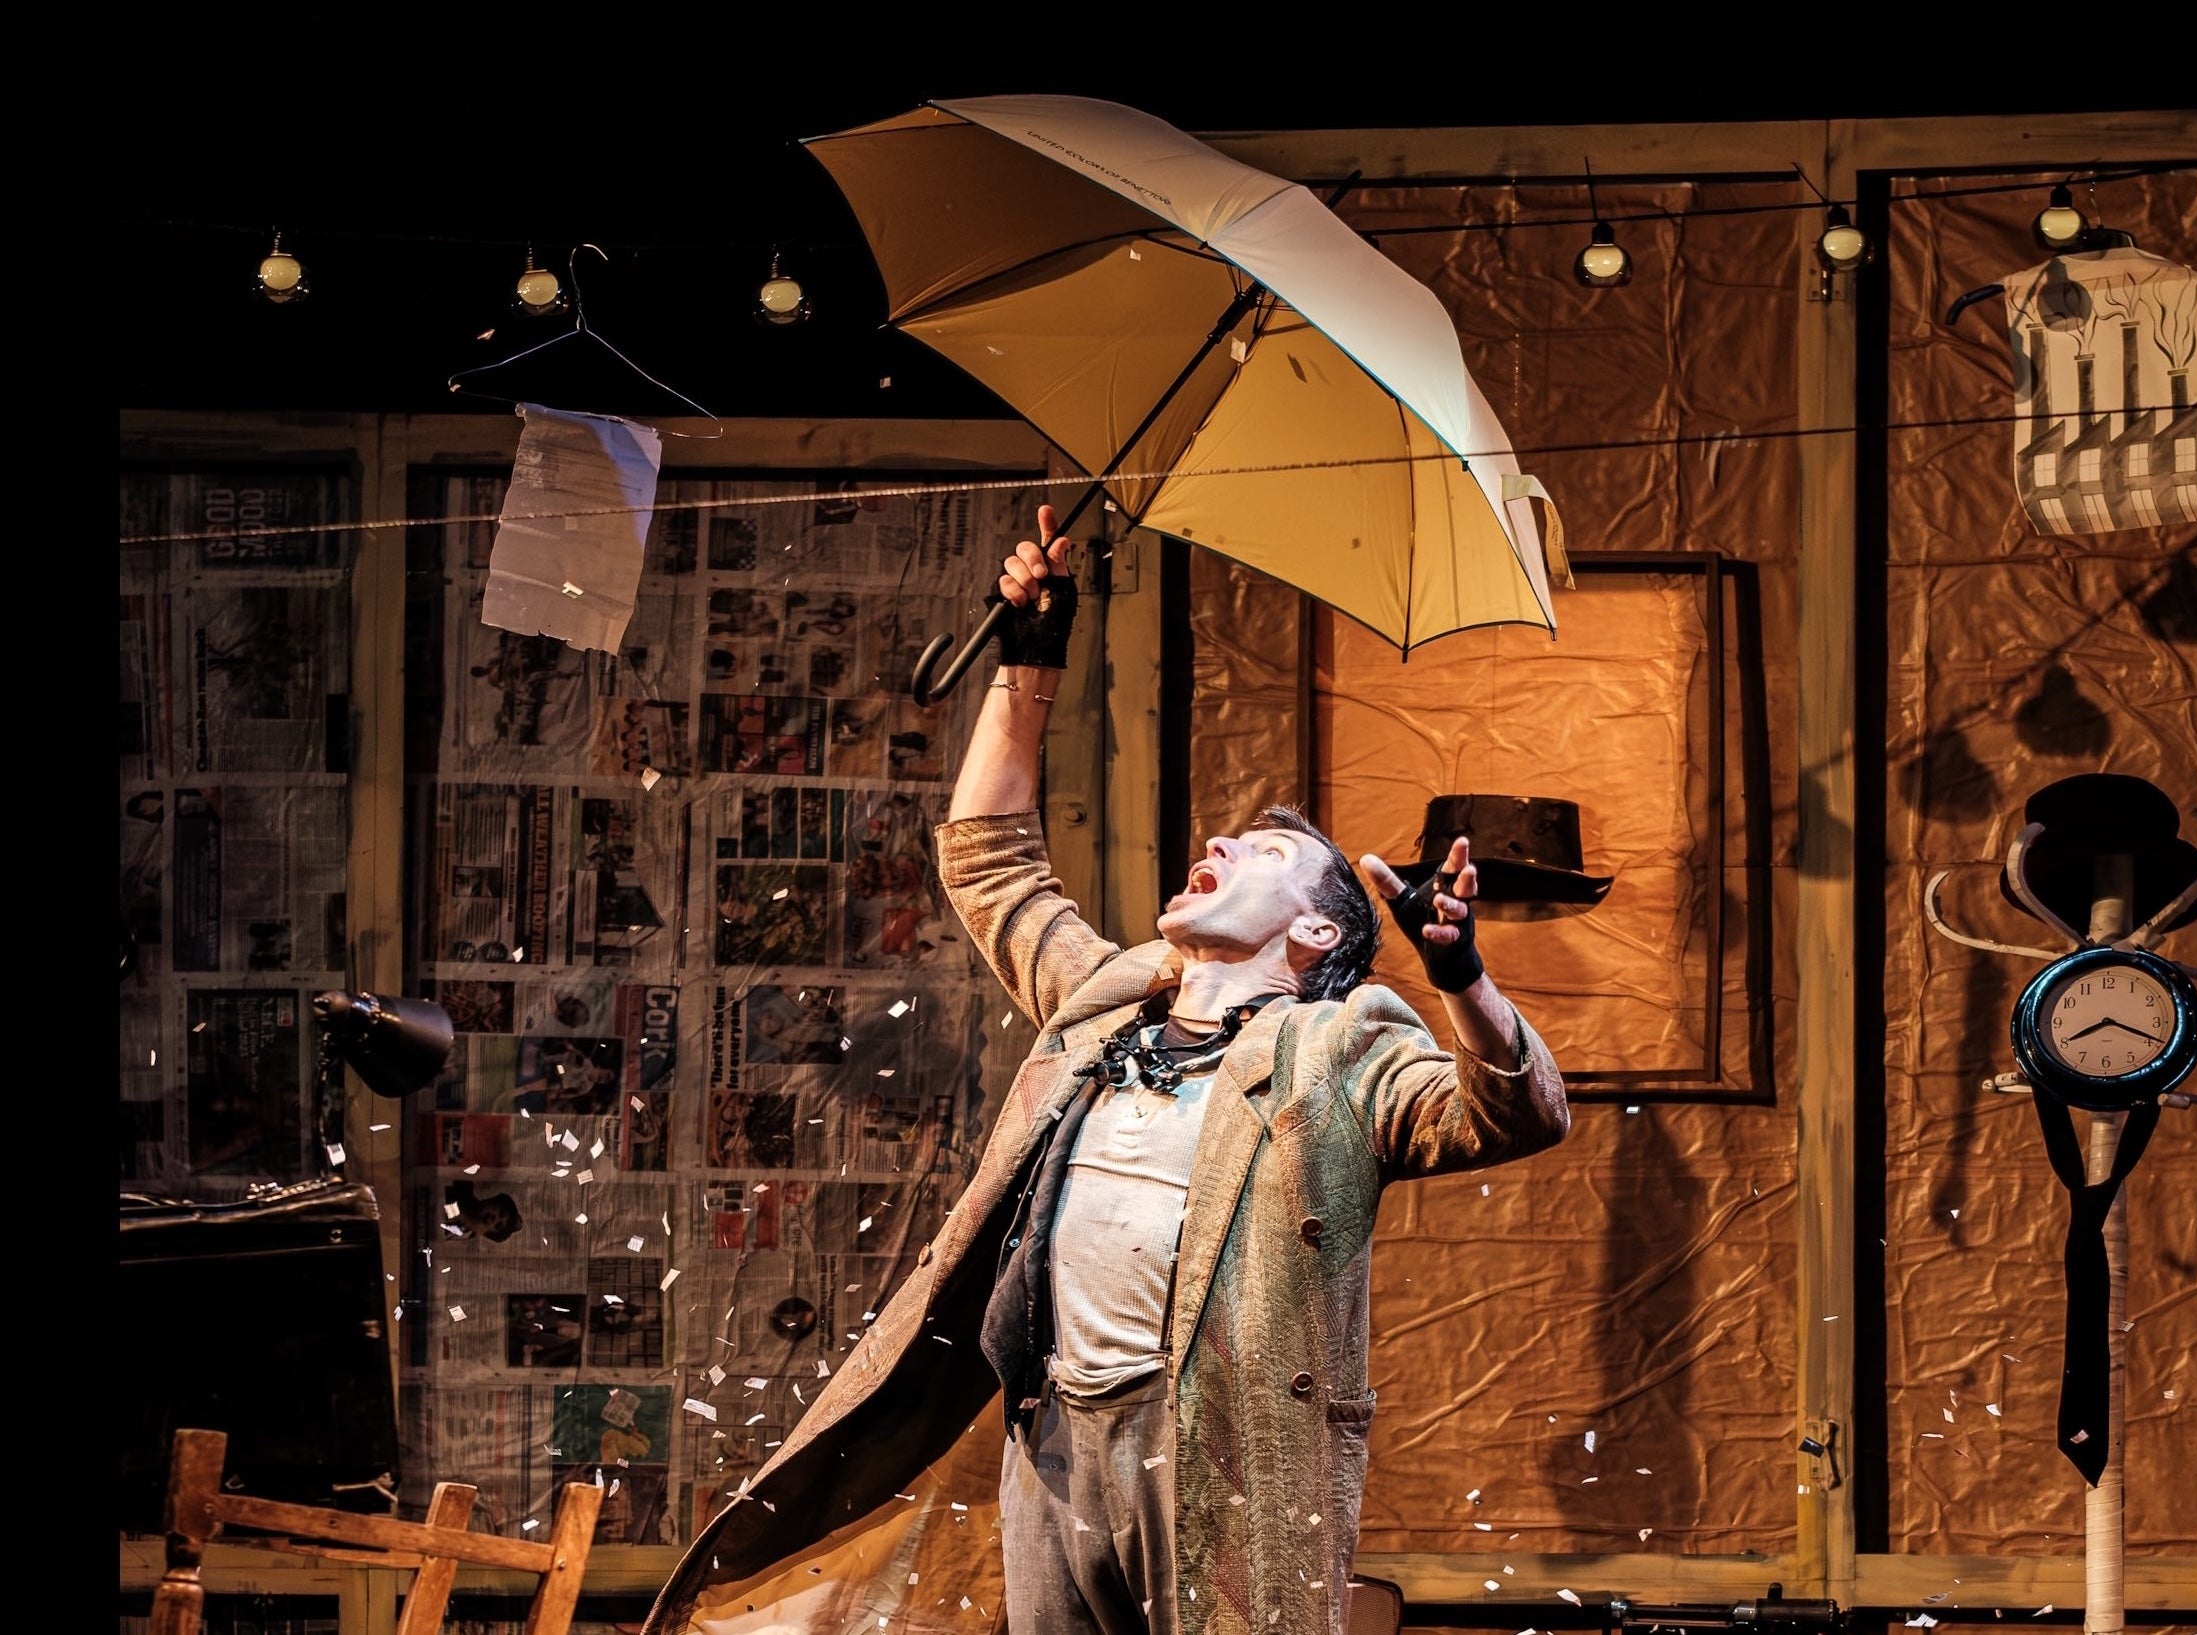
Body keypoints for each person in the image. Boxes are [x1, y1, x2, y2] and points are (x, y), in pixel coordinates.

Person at [643, 506, 1569, 1635]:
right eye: (1225, 838)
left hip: (1222, 1451)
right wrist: (1030, 659)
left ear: (1318, 936)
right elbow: (992, 864)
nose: (1220, 845)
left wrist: (1463, 976)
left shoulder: (1343, 1046)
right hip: (1054, 1430)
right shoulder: (1105, 1000)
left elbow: (1510, 1115)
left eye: (1264, 852)